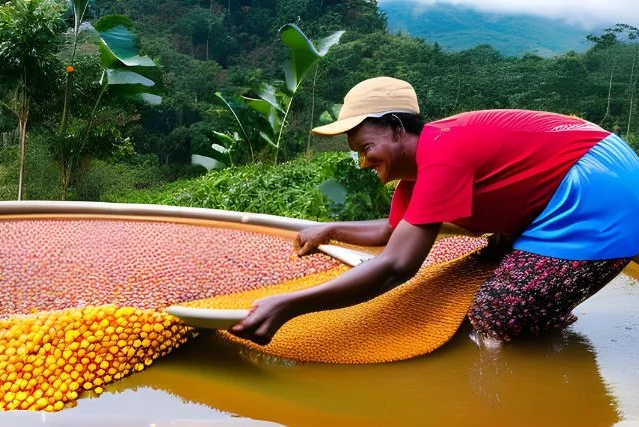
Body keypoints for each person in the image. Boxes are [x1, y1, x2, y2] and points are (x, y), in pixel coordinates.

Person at [231, 76, 639, 346]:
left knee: (495, 313)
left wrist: (288, 305)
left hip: (600, 190)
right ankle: (544, 316)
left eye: (367, 148)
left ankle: (543, 355)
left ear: (395, 128)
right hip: (582, 177)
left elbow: (396, 266)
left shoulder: (444, 152)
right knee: (503, 272)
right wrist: (331, 229)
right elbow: (394, 233)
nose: (364, 162)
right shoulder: (423, 172)